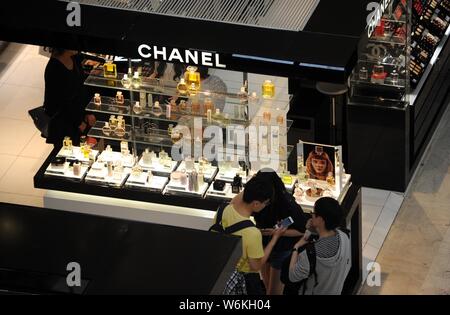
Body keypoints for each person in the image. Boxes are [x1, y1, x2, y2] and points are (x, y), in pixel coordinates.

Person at [216, 176, 286, 295]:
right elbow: (256, 266)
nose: (266, 205)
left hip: (218, 269)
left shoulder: (223, 209)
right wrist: (275, 238)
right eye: (266, 203)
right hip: (240, 278)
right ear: (256, 204)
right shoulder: (252, 233)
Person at [253, 169, 308, 295]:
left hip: (281, 249)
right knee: (268, 288)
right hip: (263, 247)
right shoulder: (259, 199)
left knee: (273, 292)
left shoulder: (287, 204)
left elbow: (301, 230)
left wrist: (276, 232)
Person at [289, 197, 351, 295]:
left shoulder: (310, 254)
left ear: (320, 219)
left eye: (313, 213)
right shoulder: (345, 236)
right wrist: (311, 230)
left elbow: (292, 276)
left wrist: (295, 248)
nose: (311, 215)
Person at [43, 48, 96, 147]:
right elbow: (60, 102)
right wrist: (78, 122)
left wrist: (88, 111)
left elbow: (81, 87)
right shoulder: (54, 68)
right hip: (64, 123)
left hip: (78, 117)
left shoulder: (74, 59)